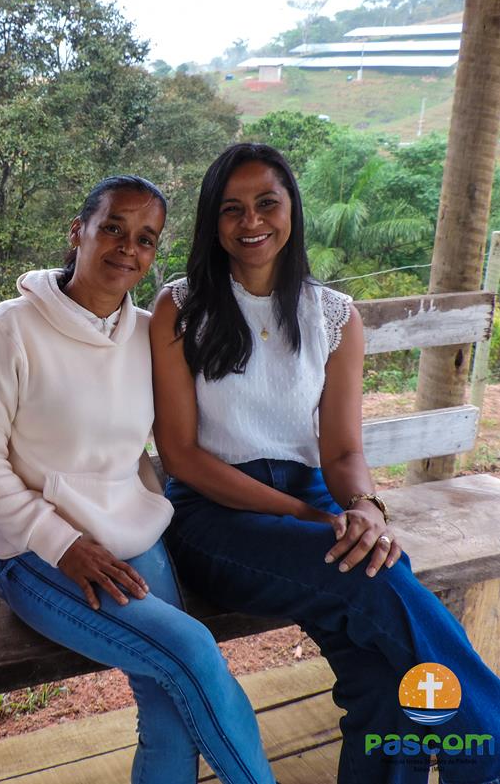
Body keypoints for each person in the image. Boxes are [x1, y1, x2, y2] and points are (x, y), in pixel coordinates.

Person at [150, 142, 500, 784]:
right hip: (214, 517)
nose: (251, 221)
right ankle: (488, 748)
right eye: (232, 208)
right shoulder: (182, 308)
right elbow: (182, 457)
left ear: (292, 209)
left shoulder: (333, 315)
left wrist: (365, 508)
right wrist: (308, 516)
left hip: (312, 501)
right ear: (212, 221)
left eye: (267, 203)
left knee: (383, 677)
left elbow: (341, 452)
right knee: (370, 576)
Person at [0, 176, 275, 784]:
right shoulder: (10, 329)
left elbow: (190, 432)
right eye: (113, 229)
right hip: (36, 553)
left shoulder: (151, 334)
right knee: (190, 651)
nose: (128, 247)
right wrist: (64, 543)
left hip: (133, 538)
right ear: (78, 232)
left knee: (169, 703)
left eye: (146, 239)